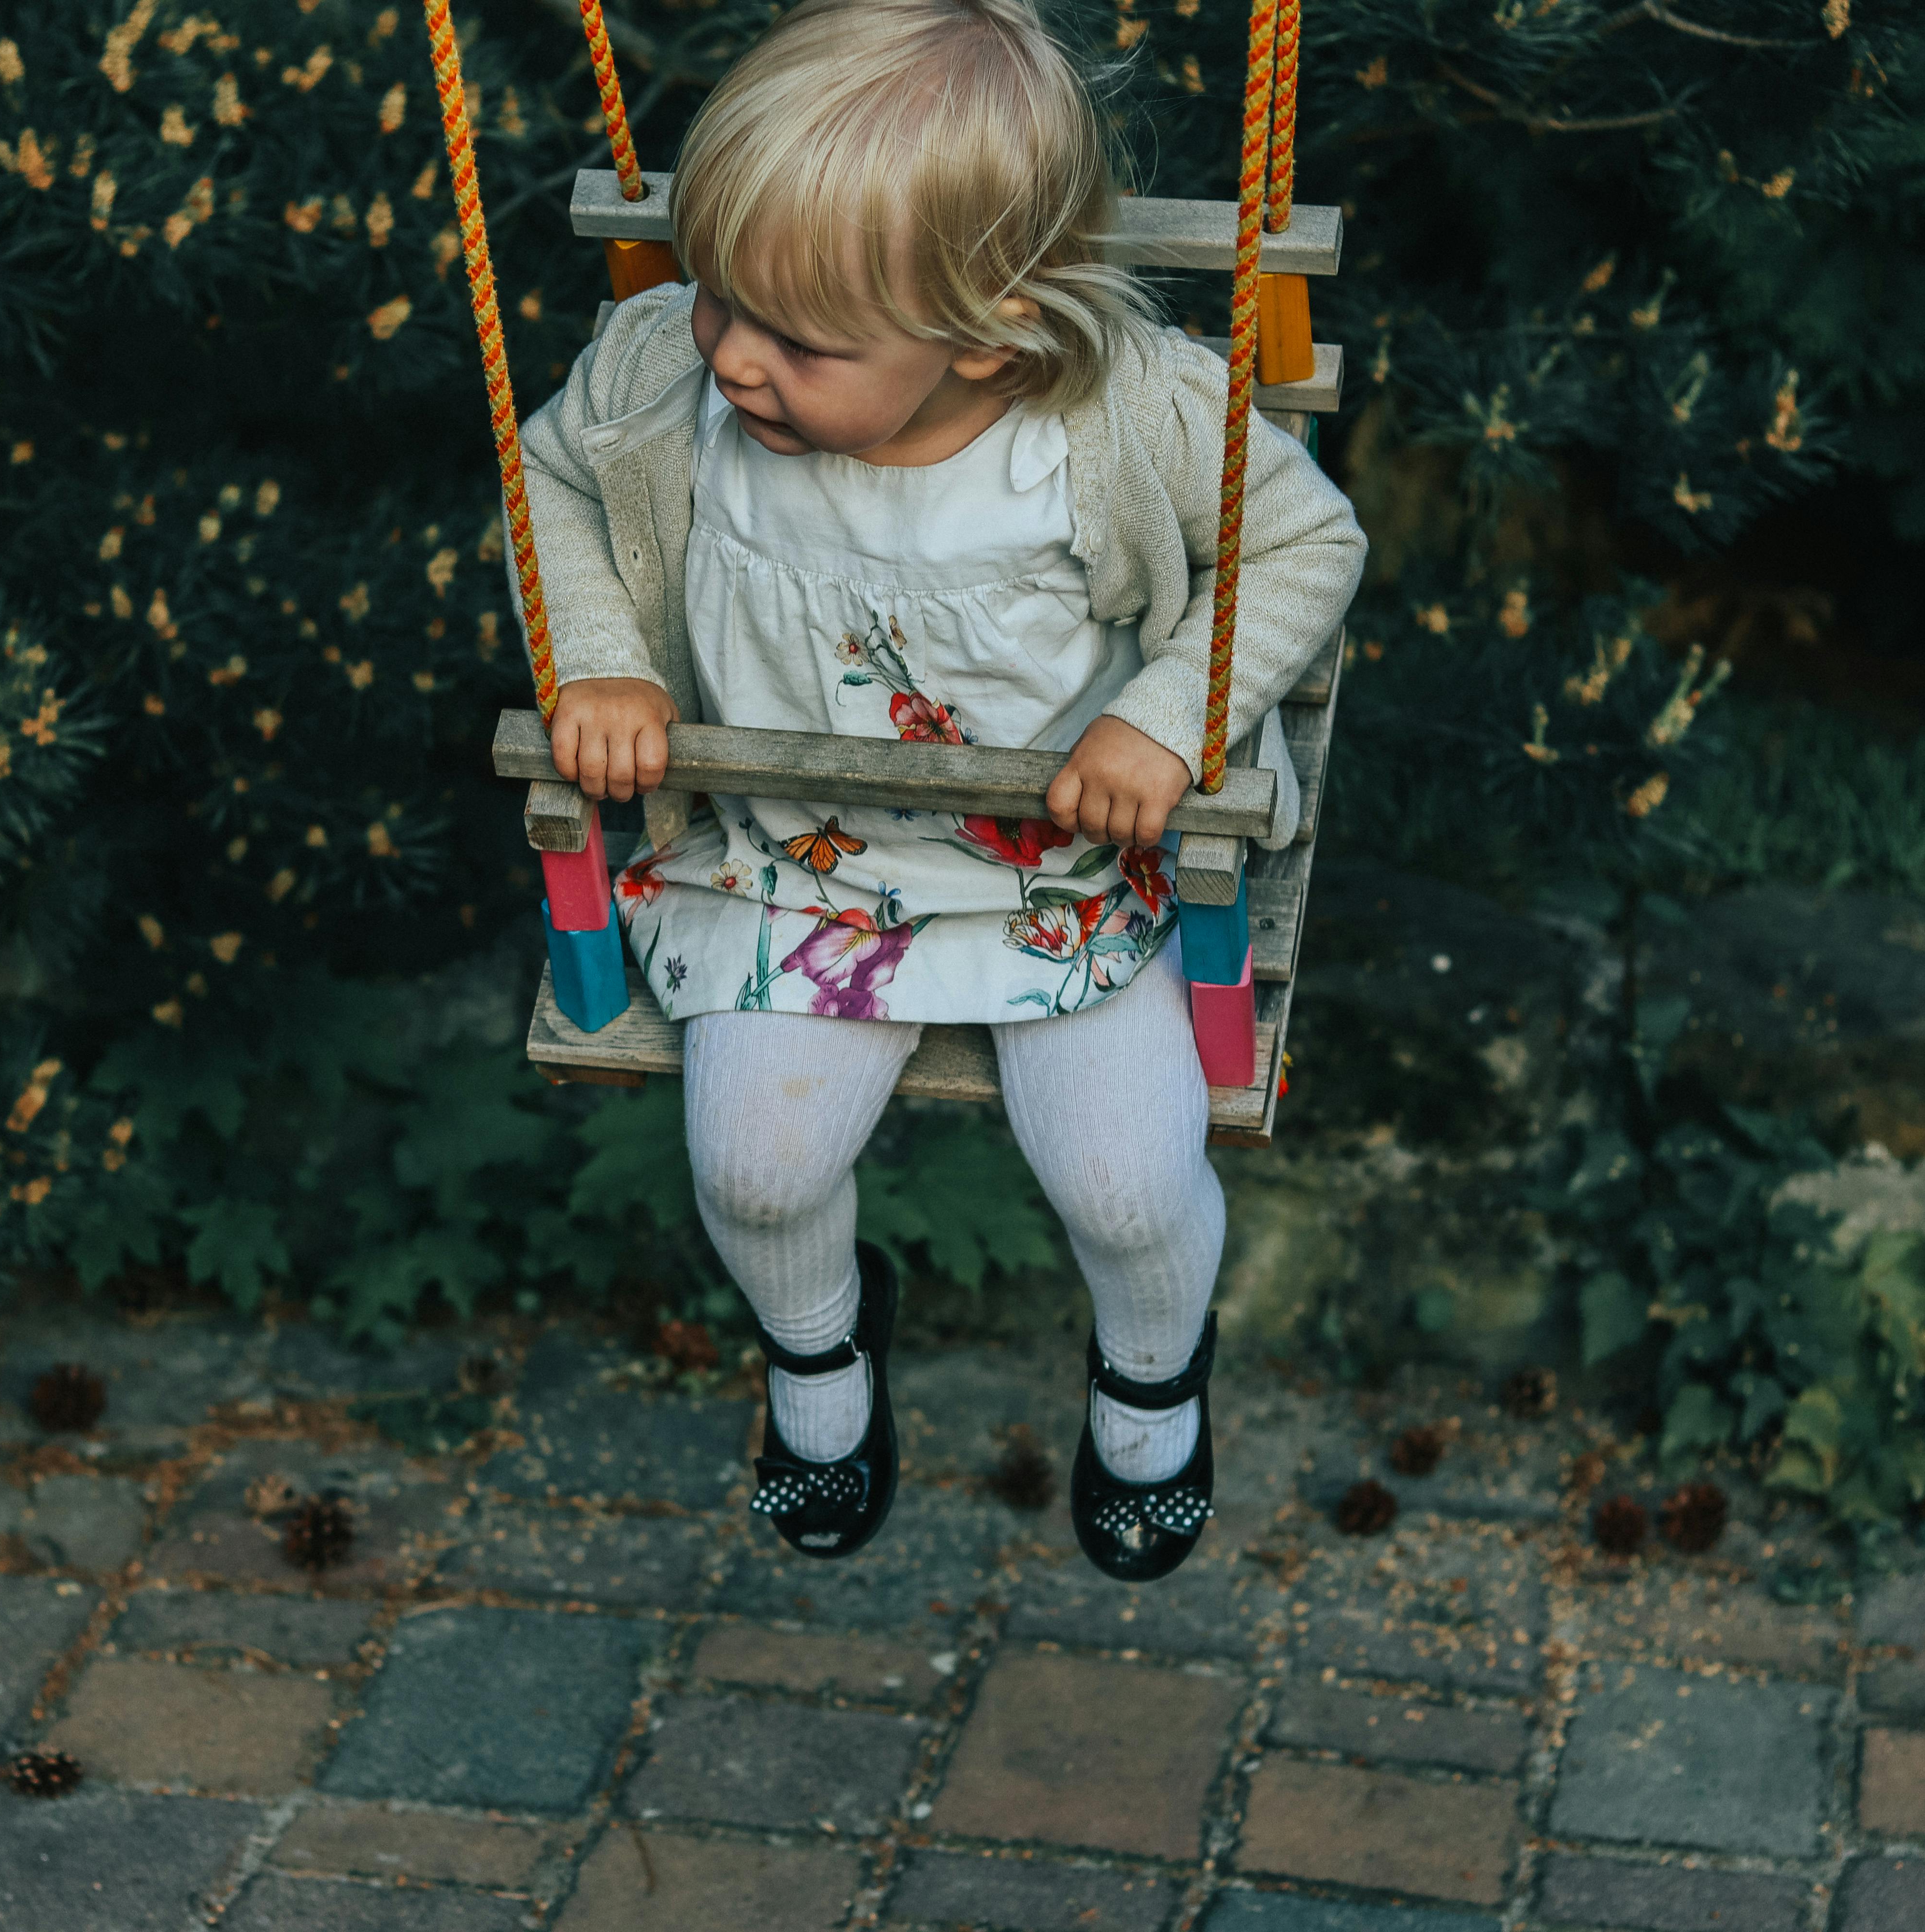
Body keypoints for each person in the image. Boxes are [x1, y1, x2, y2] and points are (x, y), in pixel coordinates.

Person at [512, 0, 1366, 1581]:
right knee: (753, 1169)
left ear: (991, 334)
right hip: (789, 863)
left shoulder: (1121, 417)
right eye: (724, 301)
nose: (736, 357)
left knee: (1124, 1187)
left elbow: (1305, 543)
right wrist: (604, 662)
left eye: (801, 341)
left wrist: (1174, 722)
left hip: (1067, 870)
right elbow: (553, 474)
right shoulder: (665, 372)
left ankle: (1151, 1387)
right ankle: (821, 1364)